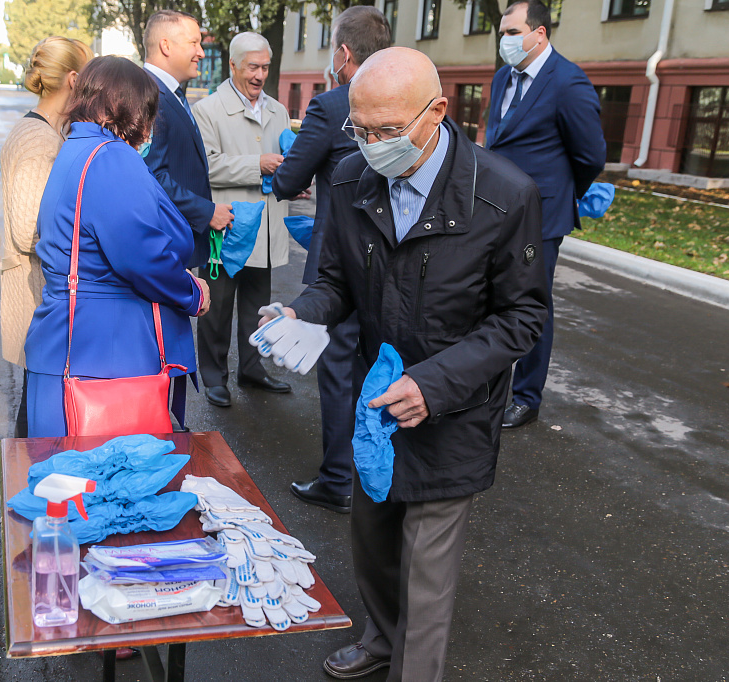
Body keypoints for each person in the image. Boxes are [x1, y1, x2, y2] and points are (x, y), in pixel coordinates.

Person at [264, 48, 548, 680]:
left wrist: (434, 383)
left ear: (437, 111)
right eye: (360, 131)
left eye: (387, 132)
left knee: (427, 573)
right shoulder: (349, 178)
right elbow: (334, 280)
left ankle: (412, 666)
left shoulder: (504, 195)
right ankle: (381, 638)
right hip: (377, 404)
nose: (371, 146)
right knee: (373, 543)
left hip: (453, 411)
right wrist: (303, 312)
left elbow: (521, 318)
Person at [23, 56, 210, 438]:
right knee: (109, 483)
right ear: (129, 109)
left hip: (73, 345)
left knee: (66, 484)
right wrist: (193, 293)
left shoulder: (76, 147)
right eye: (149, 113)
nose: (150, 126)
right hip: (106, 355)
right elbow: (143, 257)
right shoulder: (110, 158)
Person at [271, 5, 392, 514]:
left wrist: (281, 168)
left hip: (340, 259)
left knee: (339, 370)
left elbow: (288, 180)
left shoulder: (331, 105)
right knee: (380, 365)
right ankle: (377, 474)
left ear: (344, 53)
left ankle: (339, 478)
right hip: (397, 262)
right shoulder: (408, 99)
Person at [485, 0, 606, 429]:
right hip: (496, 208)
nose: (505, 41)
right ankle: (488, 385)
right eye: (502, 33)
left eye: (513, 33)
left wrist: (558, 193)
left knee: (533, 304)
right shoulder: (503, 78)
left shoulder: (568, 82)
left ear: (540, 34)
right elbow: (497, 140)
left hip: (541, 214)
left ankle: (526, 397)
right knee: (491, 298)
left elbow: (591, 155)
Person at [192, 32, 293, 408]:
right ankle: (215, 377)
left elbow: (285, 157)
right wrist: (258, 164)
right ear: (232, 65)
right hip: (227, 228)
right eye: (253, 66)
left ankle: (252, 368)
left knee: (257, 307)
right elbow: (208, 167)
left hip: (265, 228)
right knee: (216, 310)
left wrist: (291, 182)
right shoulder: (207, 111)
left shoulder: (278, 110)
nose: (260, 74)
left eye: (265, 67)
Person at [0, 36, 93, 438]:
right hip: (35, 292)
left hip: (36, 291)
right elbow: (26, 230)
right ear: (73, 79)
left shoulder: (44, 132)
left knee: (37, 405)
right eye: (87, 79)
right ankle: (25, 493)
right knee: (38, 413)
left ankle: (27, 487)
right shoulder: (40, 143)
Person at [141, 10, 234, 269]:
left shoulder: (168, 93)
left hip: (177, 243)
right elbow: (153, 177)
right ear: (166, 46)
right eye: (194, 43)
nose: (201, 53)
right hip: (166, 247)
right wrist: (206, 212)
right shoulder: (151, 95)